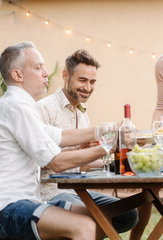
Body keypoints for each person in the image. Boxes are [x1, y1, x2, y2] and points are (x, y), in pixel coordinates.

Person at [0, 41, 138, 240]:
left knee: (109, 217)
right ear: (17, 75)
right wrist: (109, 144)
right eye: (38, 67)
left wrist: (111, 129)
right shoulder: (15, 107)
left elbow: (61, 135)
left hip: (29, 201)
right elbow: (56, 163)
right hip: (5, 209)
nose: (46, 72)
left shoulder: (22, 106)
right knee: (85, 226)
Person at [36, 49, 104, 201]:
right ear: (65, 75)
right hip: (50, 192)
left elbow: (81, 166)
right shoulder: (43, 109)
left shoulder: (83, 115)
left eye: (92, 82)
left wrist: (115, 160)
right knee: (94, 215)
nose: (87, 88)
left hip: (78, 190)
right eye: (82, 80)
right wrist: (77, 151)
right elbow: (37, 162)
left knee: (126, 213)